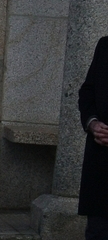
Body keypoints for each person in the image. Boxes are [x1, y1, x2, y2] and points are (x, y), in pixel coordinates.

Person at [77, 37, 108, 239]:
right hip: (102, 168)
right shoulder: (105, 46)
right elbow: (87, 91)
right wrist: (92, 122)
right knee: (98, 231)